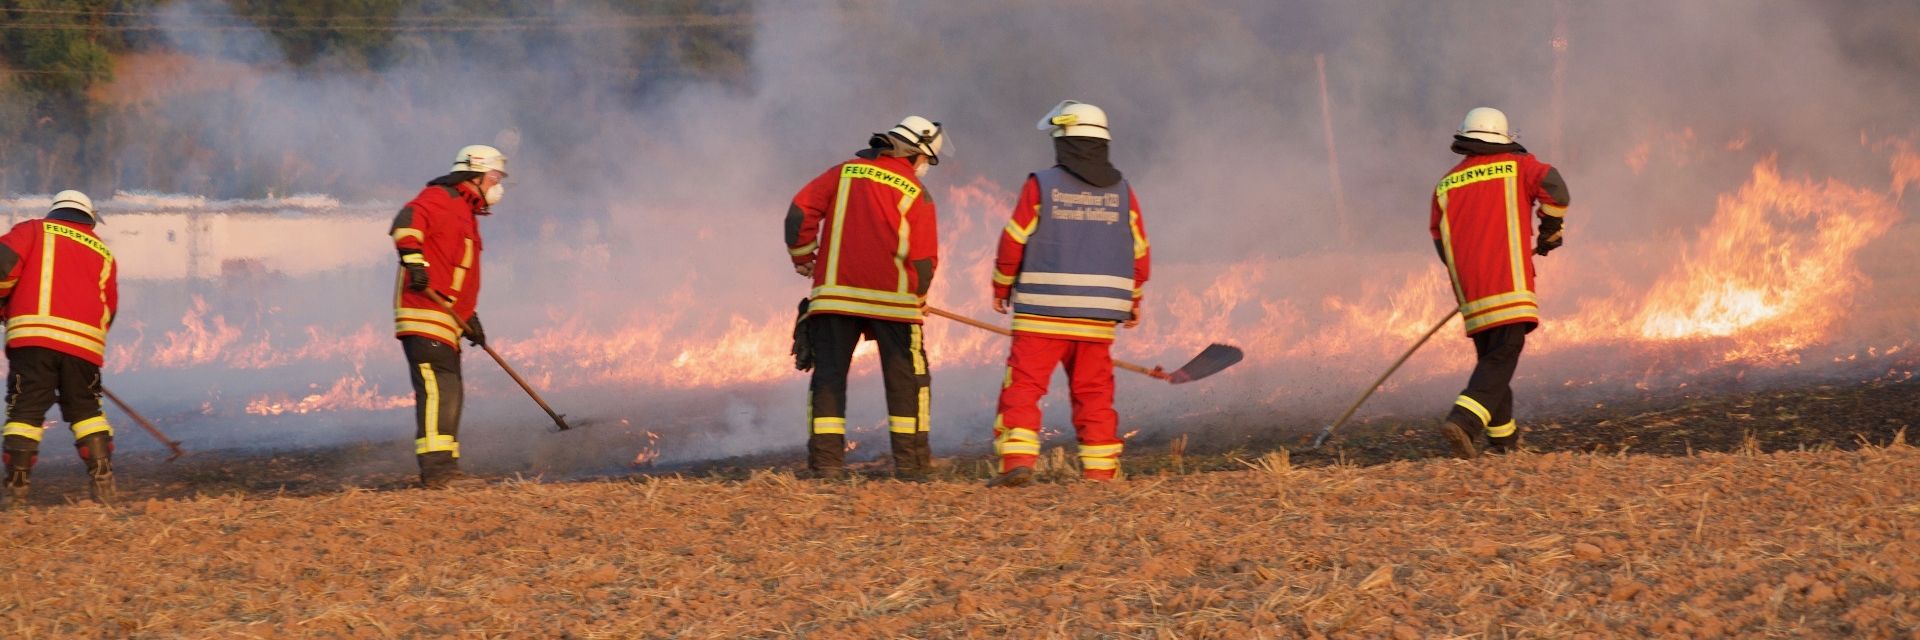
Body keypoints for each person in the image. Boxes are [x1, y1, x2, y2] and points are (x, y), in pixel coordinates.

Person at [987, 101, 1150, 487]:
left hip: (1042, 311)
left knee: (1024, 387)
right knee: (1093, 392)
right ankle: (1099, 472)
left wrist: (1002, 286)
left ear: (1063, 143)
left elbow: (1014, 239)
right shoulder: (1123, 191)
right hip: (1097, 319)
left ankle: (1017, 464)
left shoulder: (1041, 185)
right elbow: (1139, 251)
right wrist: (1133, 301)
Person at [785, 116, 946, 480]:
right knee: (907, 381)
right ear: (914, 154)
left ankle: (826, 466)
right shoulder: (915, 192)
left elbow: (799, 212)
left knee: (829, 378)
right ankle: (913, 467)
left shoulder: (843, 172)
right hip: (893, 303)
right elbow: (923, 259)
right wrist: (918, 295)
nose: (925, 168)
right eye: (926, 161)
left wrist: (803, 257)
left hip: (835, 298)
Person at [1429, 107, 1571, 457]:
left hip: (1471, 290)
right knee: (1504, 354)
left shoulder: (1445, 185)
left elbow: (1440, 240)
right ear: (1502, 140)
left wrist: (1468, 273)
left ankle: (1503, 442)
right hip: (1508, 281)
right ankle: (1463, 421)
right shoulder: (1518, 166)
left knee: (1492, 362)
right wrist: (1550, 233)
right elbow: (1555, 188)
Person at [389, 145, 505, 488]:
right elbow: (406, 221)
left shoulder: (463, 213)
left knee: (450, 391)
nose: (498, 186)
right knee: (439, 391)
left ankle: (447, 469)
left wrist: (470, 318)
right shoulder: (441, 198)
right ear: (475, 174)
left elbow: (453, 271)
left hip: (445, 321)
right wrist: (414, 262)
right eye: (495, 177)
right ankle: (438, 473)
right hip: (424, 314)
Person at [0, 190, 120, 508]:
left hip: (34, 341)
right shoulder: (103, 252)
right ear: (89, 218)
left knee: (25, 412)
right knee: (88, 414)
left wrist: (4, 304)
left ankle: (16, 491)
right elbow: (109, 308)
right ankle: (103, 483)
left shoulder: (33, 230)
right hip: (84, 346)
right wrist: (87, 344)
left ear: (56, 212)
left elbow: (2, 268)